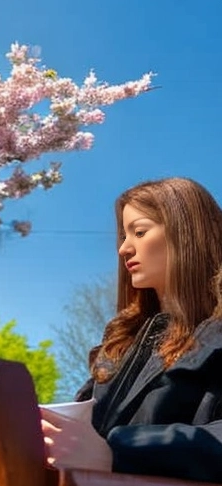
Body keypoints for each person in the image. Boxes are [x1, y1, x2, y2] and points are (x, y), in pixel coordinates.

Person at [41, 177, 222, 483]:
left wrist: (117, 453)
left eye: (139, 232)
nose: (124, 248)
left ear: (188, 233)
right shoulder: (118, 346)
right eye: (123, 237)